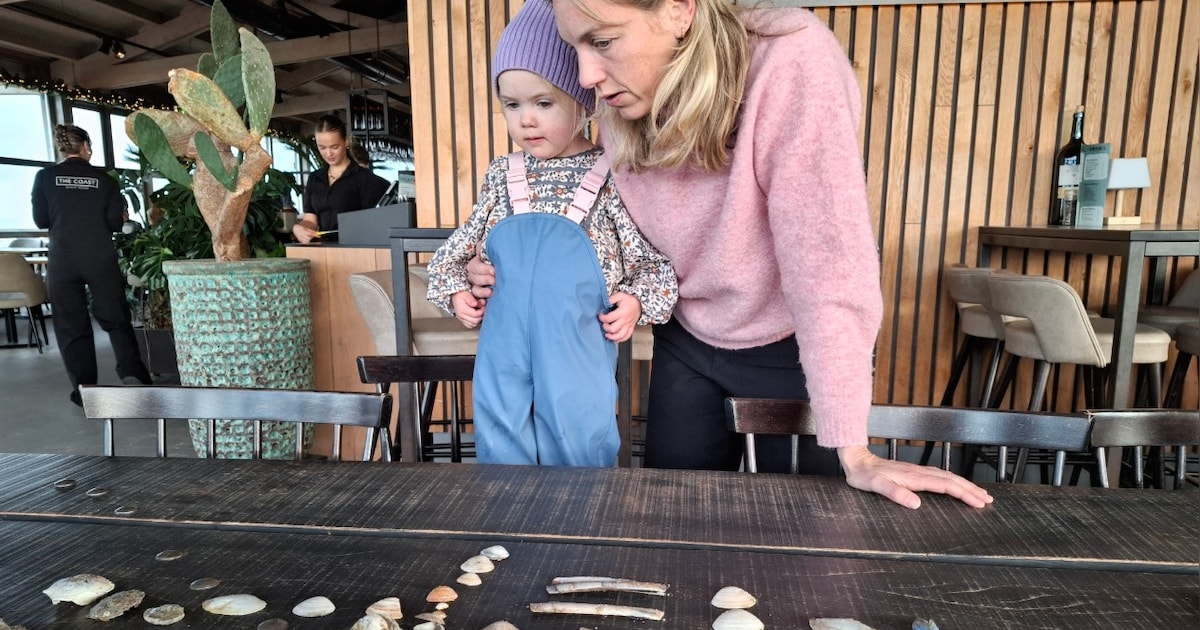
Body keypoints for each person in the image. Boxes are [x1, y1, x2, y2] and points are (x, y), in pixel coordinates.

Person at [466, 0, 992, 509]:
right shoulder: (614, 96)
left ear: (678, 8)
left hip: (790, 347)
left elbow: (828, 263)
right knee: (671, 525)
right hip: (685, 336)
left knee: (807, 539)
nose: (585, 76)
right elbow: (610, 238)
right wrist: (502, 264)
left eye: (603, 41)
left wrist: (853, 447)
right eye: (574, 46)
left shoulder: (787, 58)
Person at [425, 0, 677, 467]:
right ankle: (506, 540)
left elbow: (654, 265)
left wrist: (637, 302)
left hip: (577, 350)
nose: (527, 120)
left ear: (583, 100)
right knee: (500, 438)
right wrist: (459, 287)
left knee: (579, 436)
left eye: (543, 103)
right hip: (502, 352)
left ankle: (580, 537)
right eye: (512, 104)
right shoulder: (502, 175)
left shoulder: (612, 175)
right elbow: (450, 256)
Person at [31, 124, 152, 406]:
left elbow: (41, 220)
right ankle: (132, 373)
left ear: (63, 148)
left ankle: (84, 388)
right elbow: (114, 222)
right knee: (116, 318)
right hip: (99, 256)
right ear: (85, 146)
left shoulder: (45, 177)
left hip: (63, 259)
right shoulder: (105, 180)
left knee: (71, 325)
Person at [291, 115, 389, 243]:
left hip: (357, 249)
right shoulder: (314, 178)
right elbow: (311, 220)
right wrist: (300, 228)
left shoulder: (364, 178)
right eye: (322, 147)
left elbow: (374, 222)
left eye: (334, 147)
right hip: (324, 250)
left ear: (346, 142)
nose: (328, 153)